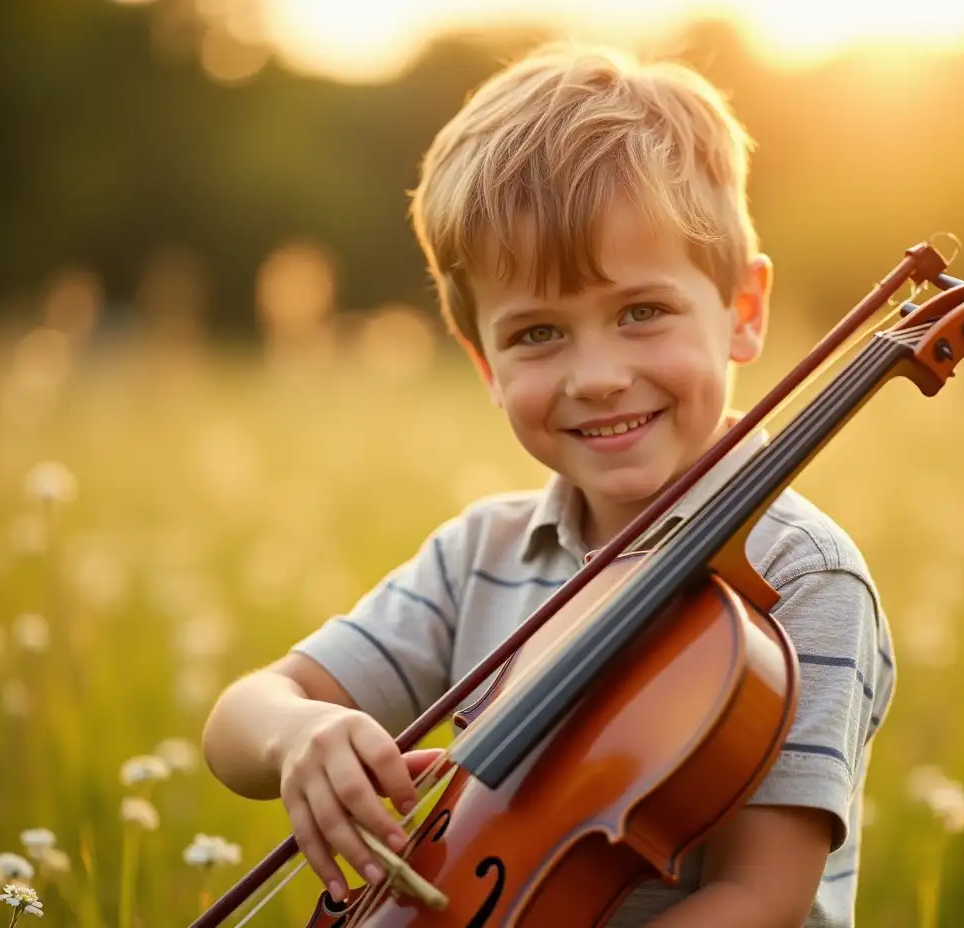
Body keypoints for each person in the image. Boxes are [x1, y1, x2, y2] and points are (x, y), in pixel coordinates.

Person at [201, 42, 896, 928]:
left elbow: (759, 898)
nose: (598, 376)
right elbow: (239, 720)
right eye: (537, 333)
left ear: (743, 312)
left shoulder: (791, 578)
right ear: (483, 362)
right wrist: (297, 735)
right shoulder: (477, 557)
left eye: (641, 312)